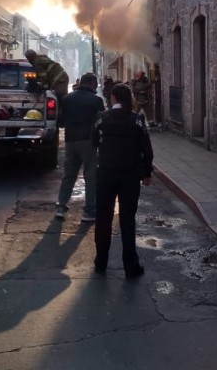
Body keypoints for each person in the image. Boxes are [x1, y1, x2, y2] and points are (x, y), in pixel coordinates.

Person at [91, 82, 154, 279]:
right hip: (130, 175)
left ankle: (101, 262)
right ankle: (131, 267)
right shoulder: (137, 120)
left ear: (113, 98)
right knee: (127, 220)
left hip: (106, 173)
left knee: (103, 218)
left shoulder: (102, 118)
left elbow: (94, 140)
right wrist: (147, 173)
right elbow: (146, 148)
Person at [55, 73, 105, 222]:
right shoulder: (96, 100)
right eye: (95, 84)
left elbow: (61, 122)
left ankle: (60, 207)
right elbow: (101, 121)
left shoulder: (67, 99)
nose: (96, 87)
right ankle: (89, 211)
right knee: (90, 177)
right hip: (88, 141)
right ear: (91, 84)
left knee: (69, 175)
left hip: (70, 141)